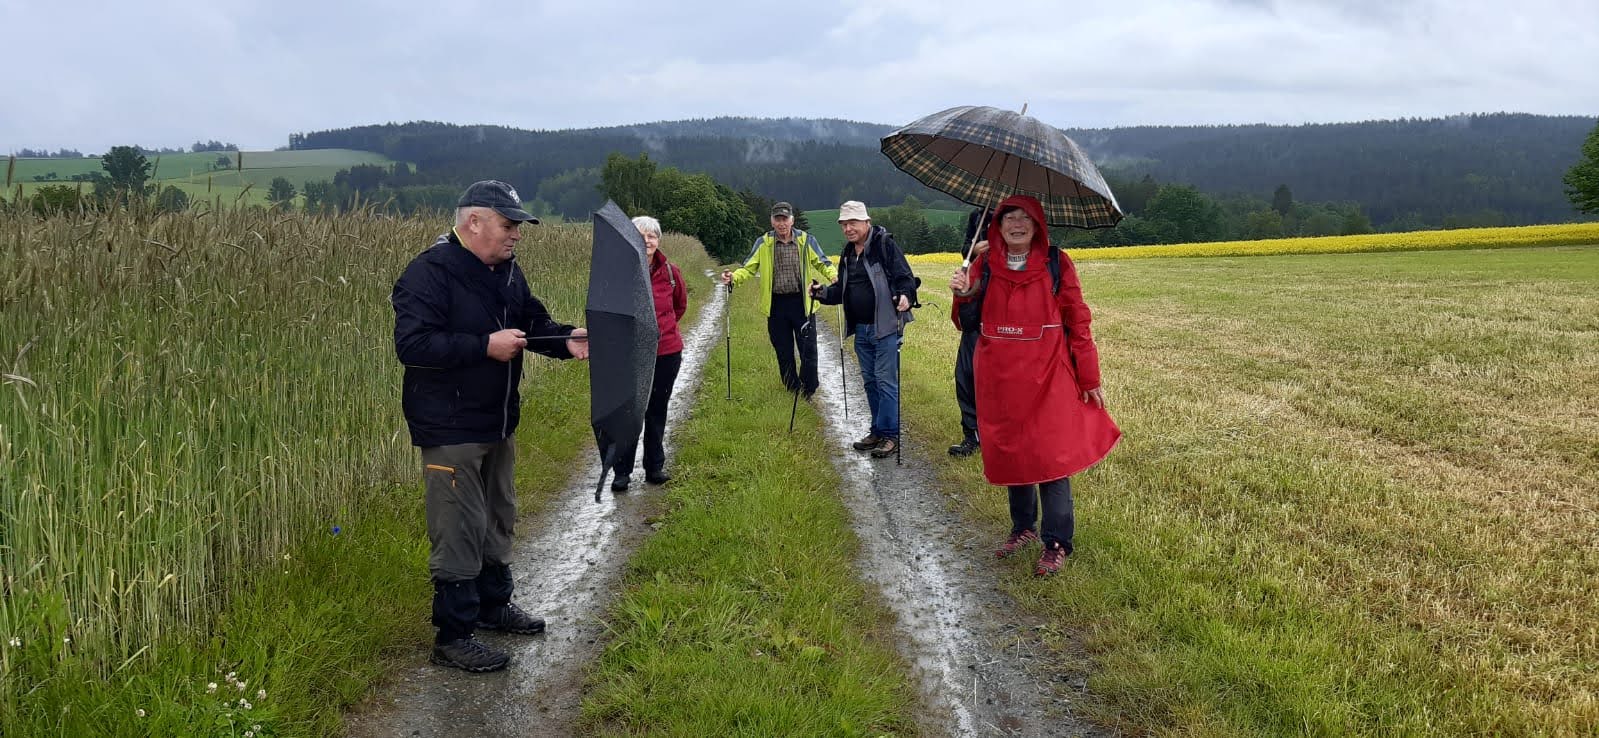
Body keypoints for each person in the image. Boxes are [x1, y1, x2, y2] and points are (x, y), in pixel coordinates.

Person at [391, 180, 590, 673]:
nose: (516, 234)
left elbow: (531, 322)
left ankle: (493, 605)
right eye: (508, 224)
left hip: (497, 420)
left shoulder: (507, 272)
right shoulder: (428, 273)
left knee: (499, 513)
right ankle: (453, 636)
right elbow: (413, 346)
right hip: (450, 425)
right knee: (458, 524)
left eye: (518, 225)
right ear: (474, 221)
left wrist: (566, 339)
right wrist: (484, 345)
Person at [948, 194, 1119, 576]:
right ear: (997, 224)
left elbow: (1078, 319)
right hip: (1000, 379)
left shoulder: (1057, 263)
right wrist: (963, 293)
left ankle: (1056, 542)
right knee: (1014, 452)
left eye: (1025, 217)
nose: (1017, 224)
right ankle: (1022, 528)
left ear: (1038, 225)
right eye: (1009, 217)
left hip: (1049, 378)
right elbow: (966, 322)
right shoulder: (984, 264)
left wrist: (1089, 375)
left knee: (1050, 456)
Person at [811, 200, 917, 459]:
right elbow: (842, 290)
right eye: (844, 224)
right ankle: (877, 431)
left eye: (853, 223)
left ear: (866, 222)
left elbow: (905, 277)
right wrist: (821, 292)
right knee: (870, 381)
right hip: (861, 330)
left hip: (885, 327)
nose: (848, 228)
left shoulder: (884, 245)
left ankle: (890, 435)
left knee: (885, 381)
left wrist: (905, 295)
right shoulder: (848, 254)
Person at [721, 201, 836, 398]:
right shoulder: (763, 243)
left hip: (802, 303)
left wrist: (834, 277)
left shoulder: (806, 240)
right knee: (783, 350)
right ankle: (793, 389)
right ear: (772, 221)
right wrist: (733, 278)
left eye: (785, 219)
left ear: (792, 220)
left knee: (808, 349)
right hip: (776, 306)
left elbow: (823, 262)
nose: (782, 223)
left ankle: (808, 389)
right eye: (778, 219)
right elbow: (748, 268)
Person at [610, 215, 688, 492]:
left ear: (658, 240)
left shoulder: (671, 272)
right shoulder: (619, 273)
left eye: (652, 236)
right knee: (630, 413)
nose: (646, 241)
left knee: (657, 410)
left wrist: (661, 330)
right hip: (630, 354)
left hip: (667, 352)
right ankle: (622, 472)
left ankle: (654, 467)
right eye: (640, 236)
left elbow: (679, 306)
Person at [948, 207, 993, 457]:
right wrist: (974, 250)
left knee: (992, 384)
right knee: (965, 376)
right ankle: (972, 436)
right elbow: (966, 247)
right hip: (974, 298)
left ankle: (993, 436)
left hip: (999, 310)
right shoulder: (978, 215)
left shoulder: (1019, 214)